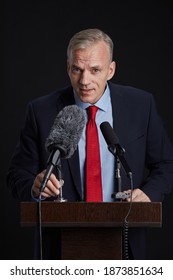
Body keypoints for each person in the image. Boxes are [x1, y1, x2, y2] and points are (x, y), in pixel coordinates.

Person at [6, 28, 173, 260]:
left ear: (110, 70)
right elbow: (17, 174)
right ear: (68, 68)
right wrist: (34, 187)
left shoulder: (141, 105)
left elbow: (166, 164)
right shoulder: (41, 111)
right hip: (59, 249)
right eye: (77, 69)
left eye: (95, 70)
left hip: (126, 242)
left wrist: (148, 193)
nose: (84, 80)